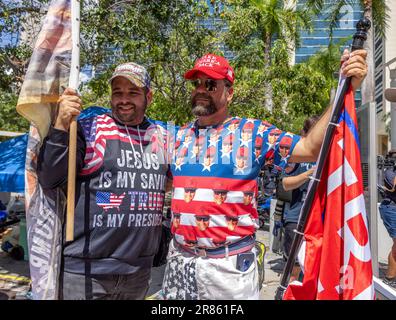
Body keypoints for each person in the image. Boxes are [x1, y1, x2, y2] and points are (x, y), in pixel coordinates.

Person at [162, 50, 368, 300]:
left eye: (211, 84)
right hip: (179, 262)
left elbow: (310, 149)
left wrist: (342, 89)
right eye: (196, 83)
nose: (201, 89)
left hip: (227, 270)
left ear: (229, 92)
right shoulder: (175, 137)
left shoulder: (253, 132)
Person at [37, 62, 170, 300]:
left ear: (148, 96)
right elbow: (49, 179)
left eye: (133, 92)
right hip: (86, 272)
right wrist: (60, 124)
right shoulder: (89, 129)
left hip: (139, 273)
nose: (124, 99)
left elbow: (171, 183)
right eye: (117, 92)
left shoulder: (162, 137)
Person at [278, 116, 319, 282]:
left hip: (320, 219)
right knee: (293, 267)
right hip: (297, 218)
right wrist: (310, 172)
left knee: (317, 266)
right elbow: (286, 184)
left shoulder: (330, 153)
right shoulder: (298, 154)